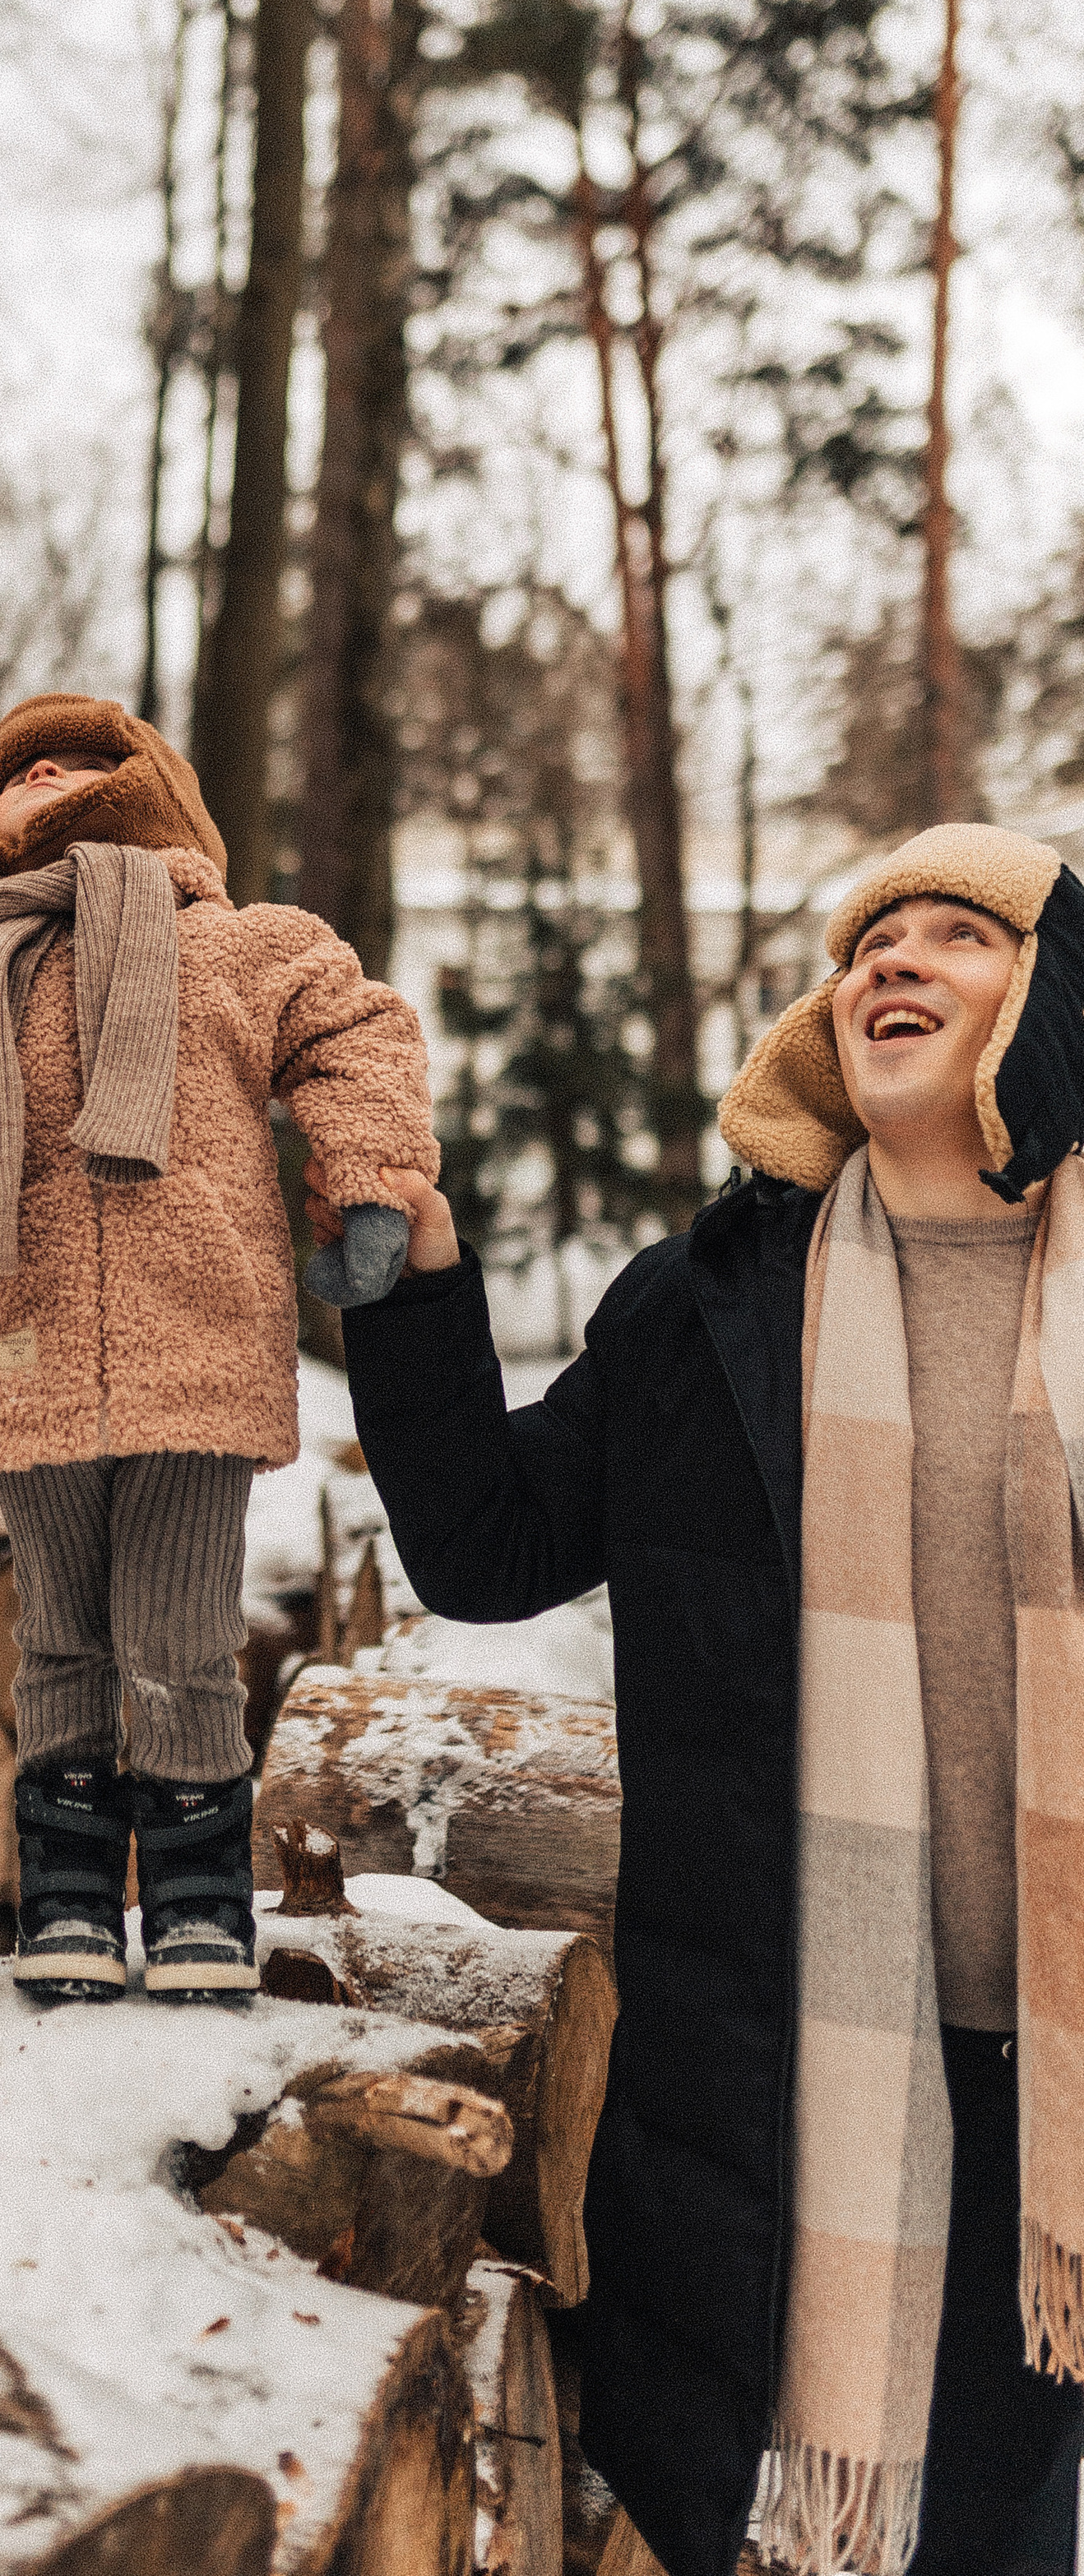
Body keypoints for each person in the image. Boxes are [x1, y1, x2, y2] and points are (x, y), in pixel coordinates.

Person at [319, 823, 1084, 2576]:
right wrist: (418, 1280)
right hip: (776, 2061)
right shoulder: (713, 1304)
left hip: (1048, 2085)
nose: (889, 960)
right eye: (865, 938)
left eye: (954, 933)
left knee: (995, 2531)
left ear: (1045, 999)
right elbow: (491, 1543)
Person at [0, 691, 438, 2004]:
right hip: (18, 1353)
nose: (48, 779)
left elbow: (360, 1035)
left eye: (82, 762)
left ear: (157, 793)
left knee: (182, 1635)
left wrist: (371, 1182)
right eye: (20, 771)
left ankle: (199, 1906)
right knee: (64, 1638)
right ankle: (69, 1901)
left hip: (196, 1345)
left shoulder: (241, 948)